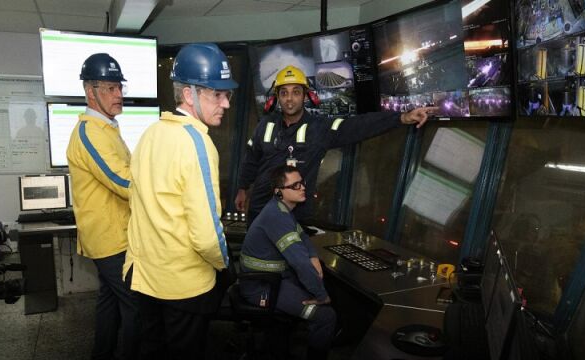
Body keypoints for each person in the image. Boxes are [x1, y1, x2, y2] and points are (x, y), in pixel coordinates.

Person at [122, 43, 236, 359]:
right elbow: (206, 234)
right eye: (217, 94)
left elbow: (137, 203)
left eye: (227, 94)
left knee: (151, 349)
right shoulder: (198, 144)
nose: (225, 103)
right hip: (183, 286)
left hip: (145, 279)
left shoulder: (150, 133)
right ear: (189, 95)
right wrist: (225, 264)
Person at [235, 65, 437, 225]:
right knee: (257, 265)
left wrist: (401, 117)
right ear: (277, 97)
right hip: (260, 211)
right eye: (284, 93)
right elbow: (251, 158)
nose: (289, 99)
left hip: (294, 217)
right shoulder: (265, 125)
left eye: (296, 92)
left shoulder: (320, 129)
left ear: (306, 96)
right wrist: (242, 188)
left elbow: (359, 125)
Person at [66, 53, 138, 359]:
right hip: (110, 240)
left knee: (109, 303)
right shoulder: (90, 133)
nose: (118, 94)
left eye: (118, 87)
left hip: (117, 233)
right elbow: (123, 183)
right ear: (89, 91)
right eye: (109, 88)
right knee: (137, 307)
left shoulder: (108, 128)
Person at [239, 165, 336, 360]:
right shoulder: (277, 216)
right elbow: (300, 263)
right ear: (279, 192)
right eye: (295, 185)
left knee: (315, 286)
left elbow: (303, 237)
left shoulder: (281, 210)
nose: (302, 188)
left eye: (302, 183)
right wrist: (321, 295)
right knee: (326, 316)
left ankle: (277, 347)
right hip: (262, 288)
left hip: (274, 280)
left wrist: (313, 256)